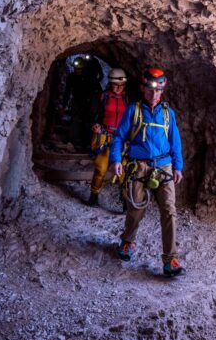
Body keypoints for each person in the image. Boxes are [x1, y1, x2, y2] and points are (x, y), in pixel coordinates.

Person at [110, 67, 185, 277]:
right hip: (139, 165)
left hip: (163, 166)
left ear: (162, 91)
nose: (154, 95)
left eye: (159, 91)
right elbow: (119, 137)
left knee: (169, 211)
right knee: (136, 209)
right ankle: (127, 242)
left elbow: (175, 143)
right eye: (151, 90)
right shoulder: (133, 110)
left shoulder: (168, 114)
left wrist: (178, 166)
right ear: (143, 89)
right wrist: (116, 159)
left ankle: (170, 260)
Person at [87, 68, 129, 207]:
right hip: (105, 136)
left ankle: (124, 199)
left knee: (123, 171)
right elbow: (93, 113)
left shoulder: (127, 99)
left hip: (122, 138)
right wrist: (95, 124)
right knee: (101, 168)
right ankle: (94, 194)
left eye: (121, 85)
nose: (118, 88)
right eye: (115, 84)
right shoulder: (102, 97)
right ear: (110, 83)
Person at [62, 56, 102, 151]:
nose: (77, 70)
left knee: (88, 122)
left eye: (79, 69)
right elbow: (67, 91)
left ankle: (87, 143)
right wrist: (64, 104)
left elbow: (99, 90)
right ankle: (74, 142)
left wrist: (97, 104)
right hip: (77, 102)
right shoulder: (71, 77)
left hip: (88, 103)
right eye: (76, 68)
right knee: (75, 120)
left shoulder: (90, 77)